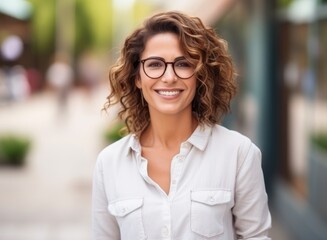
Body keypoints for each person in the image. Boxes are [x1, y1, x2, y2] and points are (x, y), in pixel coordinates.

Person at [92, 11, 271, 240]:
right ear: (137, 77)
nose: (169, 77)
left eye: (183, 64)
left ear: (200, 75)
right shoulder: (109, 163)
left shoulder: (238, 154)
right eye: (155, 64)